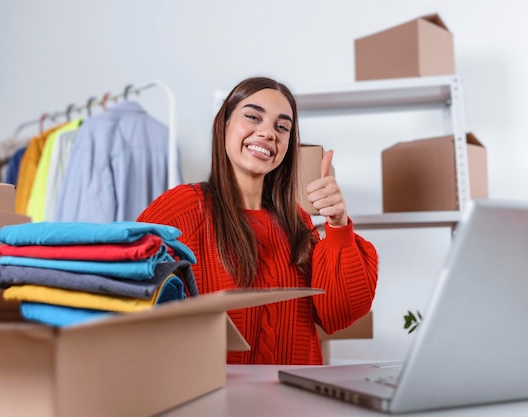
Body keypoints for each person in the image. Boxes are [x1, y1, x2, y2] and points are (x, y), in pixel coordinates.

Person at [137, 76, 378, 365]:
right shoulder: (186, 208)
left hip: (294, 400)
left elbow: (339, 314)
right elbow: (129, 297)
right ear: (224, 124)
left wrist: (338, 226)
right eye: (253, 117)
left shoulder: (297, 221)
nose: (268, 133)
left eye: (282, 127)